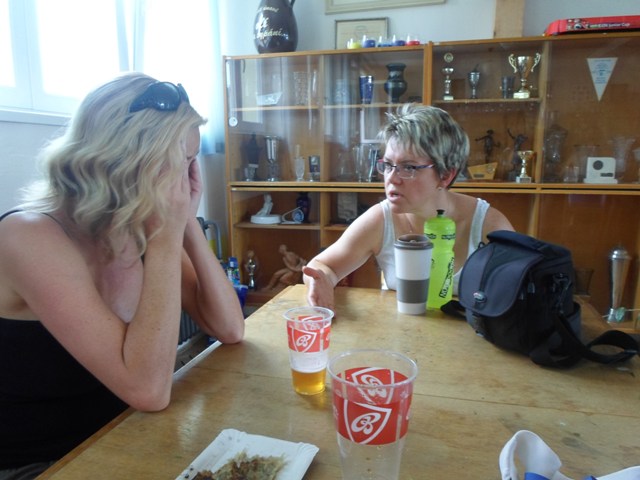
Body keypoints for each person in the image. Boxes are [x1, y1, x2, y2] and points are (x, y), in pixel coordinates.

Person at [0, 73, 244, 478]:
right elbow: (148, 390)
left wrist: (186, 223)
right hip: (40, 463)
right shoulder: (27, 237)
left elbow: (230, 327)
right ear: (127, 162)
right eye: (177, 165)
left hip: (122, 436)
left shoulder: (138, 227)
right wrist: (166, 239)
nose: (185, 182)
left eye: (190, 164)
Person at [303, 104, 513, 310]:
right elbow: (322, 267)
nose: (392, 178)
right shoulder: (380, 219)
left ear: (445, 175)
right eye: (388, 165)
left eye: (409, 167)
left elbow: (518, 294)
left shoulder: (487, 225)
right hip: (400, 330)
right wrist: (321, 281)